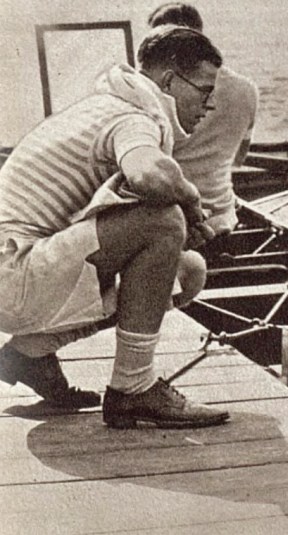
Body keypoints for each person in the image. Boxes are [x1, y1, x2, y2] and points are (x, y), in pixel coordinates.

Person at [0, 25, 229, 428]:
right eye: (205, 91)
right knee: (163, 221)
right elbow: (148, 175)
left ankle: (29, 353)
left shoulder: (108, 104)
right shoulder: (133, 117)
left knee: (186, 271)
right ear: (169, 81)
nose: (209, 105)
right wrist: (191, 201)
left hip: (16, 273)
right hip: (13, 276)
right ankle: (133, 388)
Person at [148, 3, 259, 236]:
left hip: (178, 220)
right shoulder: (247, 89)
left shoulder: (158, 90)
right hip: (223, 214)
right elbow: (239, 159)